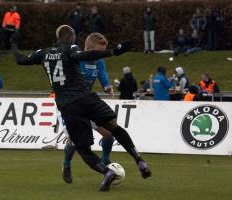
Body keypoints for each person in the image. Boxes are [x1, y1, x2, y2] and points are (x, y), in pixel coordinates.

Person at [10, 25, 151, 191]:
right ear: (71, 37)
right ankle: (138, 160)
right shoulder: (71, 48)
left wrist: (13, 43)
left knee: (85, 148)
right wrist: (113, 51)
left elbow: (20, 59)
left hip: (69, 105)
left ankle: (106, 171)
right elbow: (83, 55)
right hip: (85, 99)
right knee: (112, 128)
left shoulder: (43, 52)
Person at [62, 32, 115, 184]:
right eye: (99, 51)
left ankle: (105, 159)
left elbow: (103, 75)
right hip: (71, 105)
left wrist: (107, 87)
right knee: (74, 140)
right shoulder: (76, 59)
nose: (101, 54)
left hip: (88, 103)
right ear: (89, 49)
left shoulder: (98, 61)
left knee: (109, 133)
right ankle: (66, 165)